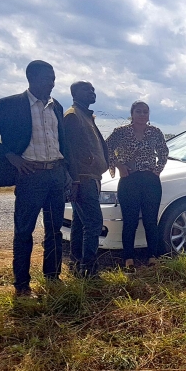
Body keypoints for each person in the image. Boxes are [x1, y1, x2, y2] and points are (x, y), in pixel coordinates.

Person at [0, 60, 68, 297]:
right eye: (48, 78)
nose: (52, 83)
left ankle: (52, 277)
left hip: (55, 174)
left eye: (54, 78)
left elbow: (62, 143)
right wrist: (8, 156)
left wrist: (67, 173)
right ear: (32, 79)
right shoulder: (10, 104)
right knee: (24, 232)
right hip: (30, 176)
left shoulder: (56, 106)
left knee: (54, 230)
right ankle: (22, 286)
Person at [106, 101, 169, 271]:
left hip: (150, 181)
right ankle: (128, 258)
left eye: (145, 112)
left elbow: (164, 152)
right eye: (138, 111)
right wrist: (118, 165)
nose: (142, 114)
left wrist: (157, 169)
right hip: (129, 181)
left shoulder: (155, 132)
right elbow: (106, 148)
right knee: (130, 221)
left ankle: (152, 256)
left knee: (150, 220)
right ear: (131, 113)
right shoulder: (121, 132)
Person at [64, 81, 109, 278]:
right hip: (82, 178)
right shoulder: (73, 116)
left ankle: (77, 263)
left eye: (93, 89)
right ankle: (89, 269)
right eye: (86, 89)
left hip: (91, 177)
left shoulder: (85, 115)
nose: (92, 92)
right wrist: (74, 180)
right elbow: (68, 152)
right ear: (74, 93)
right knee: (93, 223)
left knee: (80, 223)